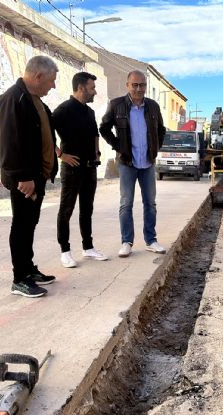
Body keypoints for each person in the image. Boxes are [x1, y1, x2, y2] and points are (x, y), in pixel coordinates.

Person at [0, 55, 59, 298]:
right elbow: (9, 142)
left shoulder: (34, 100)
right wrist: (22, 176)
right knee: (21, 226)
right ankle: (19, 279)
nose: (52, 86)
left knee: (29, 224)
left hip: (37, 176)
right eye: (51, 81)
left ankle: (29, 269)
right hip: (26, 180)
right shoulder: (14, 98)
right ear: (38, 76)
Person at [100, 70, 166, 258]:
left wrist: (155, 148)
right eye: (135, 85)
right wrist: (118, 146)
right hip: (127, 162)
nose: (139, 89)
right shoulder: (117, 105)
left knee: (150, 204)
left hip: (147, 162)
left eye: (142, 85)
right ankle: (126, 242)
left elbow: (161, 130)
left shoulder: (152, 107)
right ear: (127, 85)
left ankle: (151, 240)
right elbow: (104, 128)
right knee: (126, 203)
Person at [54, 72, 107, 268]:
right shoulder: (63, 110)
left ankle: (88, 247)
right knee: (66, 209)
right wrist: (61, 154)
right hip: (71, 169)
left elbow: (95, 134)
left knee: (87, 208)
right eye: (92, 88)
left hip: (89, 168)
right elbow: (44, 132)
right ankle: (65, 251)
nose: (95, 92)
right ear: (81, 88)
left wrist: (97, 153)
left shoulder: (89, 111)